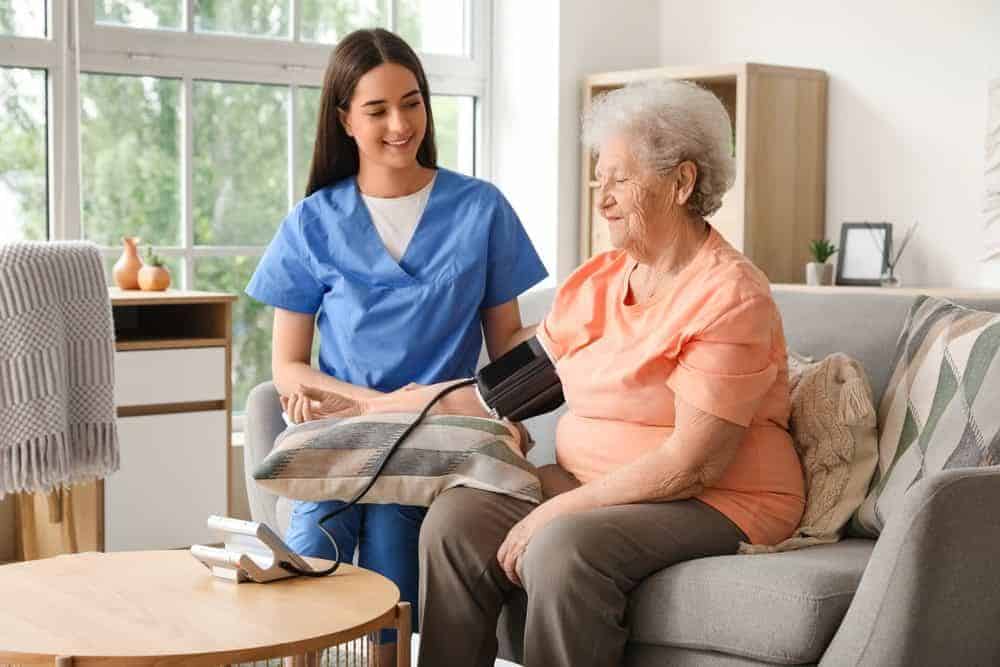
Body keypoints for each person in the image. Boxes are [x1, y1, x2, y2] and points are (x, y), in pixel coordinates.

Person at [297, 79, 807, 667]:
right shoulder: (600, 280)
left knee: (563, 547)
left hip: (723, 500)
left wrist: (555, 509)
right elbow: (496, 395)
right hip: (595, 486)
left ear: (682, 181)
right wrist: (364, 409)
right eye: (599, 179)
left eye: (620, 178)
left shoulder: (729, 296)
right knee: (457, 520)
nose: (603, 197)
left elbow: (692, 465)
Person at [244, 28, 547, 662]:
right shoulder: (311, 221)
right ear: (344, 120)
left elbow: (508, 345)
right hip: (339, 437)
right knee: (306, 565)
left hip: (432, 446)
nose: (399, 124)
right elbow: (288, 365)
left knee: (391, 579)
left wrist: (515, 409)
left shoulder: (480, 209)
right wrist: (370, 405)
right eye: (377, 109)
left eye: (411, 103)